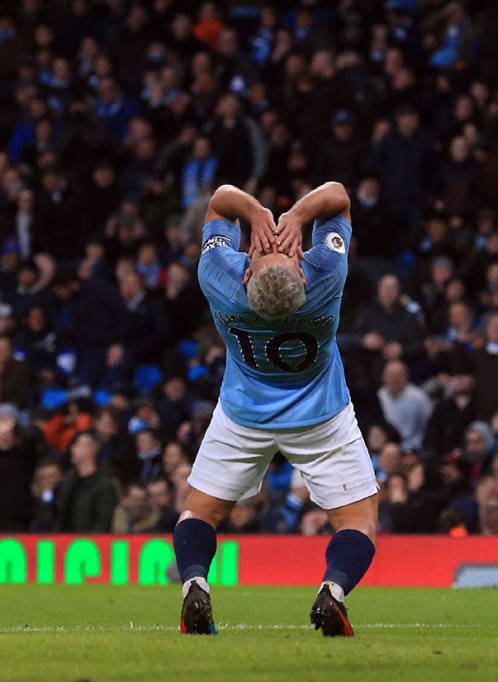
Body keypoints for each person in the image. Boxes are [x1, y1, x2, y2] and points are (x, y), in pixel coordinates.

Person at [174, 182, 378, 638]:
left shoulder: (221, 279)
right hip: (321, 417)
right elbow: (340, 197)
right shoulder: (325, 276)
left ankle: (194, 584)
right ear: (302, 277)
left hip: (243, 416)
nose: (278, 246)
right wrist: (298, 216)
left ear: (246, 276)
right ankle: (334, 591)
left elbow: (218, 202)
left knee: (199, 513)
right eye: (285, 252)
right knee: (359, 519)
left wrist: (255, 212)